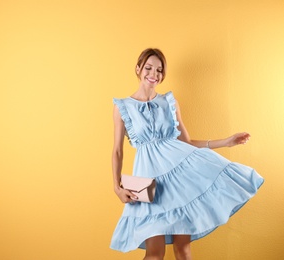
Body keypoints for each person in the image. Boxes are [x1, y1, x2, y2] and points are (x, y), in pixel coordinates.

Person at [110, 48, 264, 260]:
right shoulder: (123, 107)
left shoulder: (169, 102)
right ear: (138, 69)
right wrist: (117, 187)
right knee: (154, 253)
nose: (154, 74)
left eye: (159, 70)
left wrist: (226, 142)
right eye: (148, 68)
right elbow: (117, 151)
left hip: (179, 183)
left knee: (182, 250)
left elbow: (188, 143)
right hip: (146, 181)